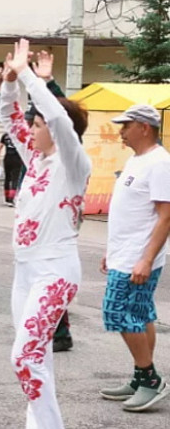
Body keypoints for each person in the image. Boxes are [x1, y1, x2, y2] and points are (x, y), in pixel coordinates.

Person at [0, 40, 91, 429]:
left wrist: (30, 78)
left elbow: (56, 117)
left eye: (37, 125)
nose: (31, 129)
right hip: (25, 273)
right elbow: (9, 115)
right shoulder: (37, 157)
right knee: (38, 358)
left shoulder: (74, 163)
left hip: (56, 271)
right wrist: (8, 83)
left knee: (24, 357)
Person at [99, 104, 170, 412]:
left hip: (138, 258)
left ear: (144, 127)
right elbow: (130, 212)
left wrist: (145, 258)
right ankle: (141, 376)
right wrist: (111, 251)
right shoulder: (136, 160)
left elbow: (166, 216)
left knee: (117, 313)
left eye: (126, 125)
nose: (121, 131)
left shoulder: (160, 163)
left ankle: (151, 379)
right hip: (124, 253)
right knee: (140, 314)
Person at [0, 132, 22, 207]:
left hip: (7, 158)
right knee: (15, 179)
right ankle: (11, 199)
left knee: (7, 178)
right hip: (17, 158)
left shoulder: (5, 135)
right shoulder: (19, 134)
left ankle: (7, 198)